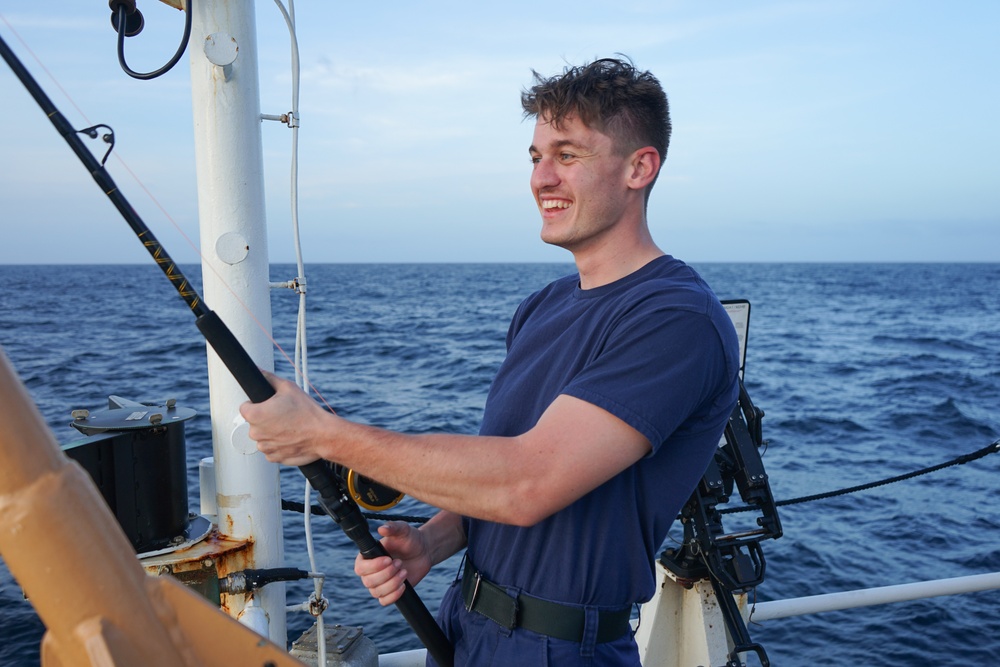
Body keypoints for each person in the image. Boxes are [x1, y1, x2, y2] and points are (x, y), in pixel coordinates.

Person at [241, 56, 740, 666]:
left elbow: (526, 483)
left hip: (562, 650)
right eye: (536, 157)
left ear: (640, 167)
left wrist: (323, 435)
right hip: (463, 624)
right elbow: (497, 466)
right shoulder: (542, 307)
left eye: (568, 155)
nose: (542, 179)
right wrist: (432, 541)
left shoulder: (676, 320)